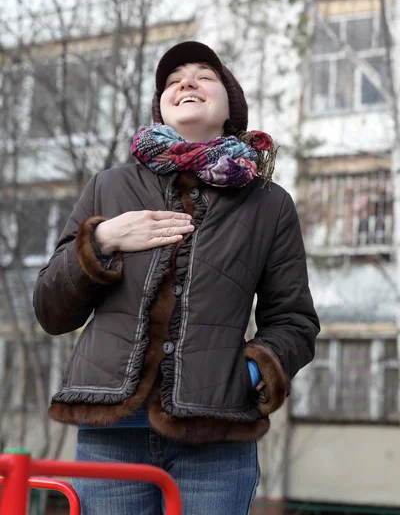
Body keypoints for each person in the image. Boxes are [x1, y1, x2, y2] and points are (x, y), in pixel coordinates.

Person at [33, 41, 319, 515]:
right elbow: (50, 310)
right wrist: (101, 239)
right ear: (161, 107)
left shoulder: (269, 204)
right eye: (172, 80)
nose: (185, 82)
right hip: (110, 435)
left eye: (203, 75)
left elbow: (294, 321)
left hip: (216, 439)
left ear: (231, 105)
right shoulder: (109, 185)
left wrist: (247, 375)